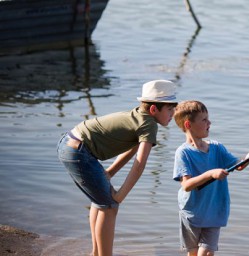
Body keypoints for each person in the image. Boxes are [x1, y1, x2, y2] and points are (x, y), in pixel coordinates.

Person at [57, 80, 179, 256]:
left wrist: (110, 172)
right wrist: (120, 195)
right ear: (154, 109)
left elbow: (132, 149)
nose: (173, 114)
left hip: (69, 144)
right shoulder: (149, 124)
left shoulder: (138, 116)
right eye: (170, 109)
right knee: (109, 205)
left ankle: (96, 253)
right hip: (79, 152)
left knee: (100, 201)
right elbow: (139, 165)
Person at [172, 100, 249, 256]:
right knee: (193, 253)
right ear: (188, 125)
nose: (210, 122)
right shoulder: (183, 153)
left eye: (208, 118)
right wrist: (211, 174)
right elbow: (186, 185)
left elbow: (238, 165)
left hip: (214, 211)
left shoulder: (216, 147)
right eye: (204, 120)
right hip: (192, 212)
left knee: (207, 253)